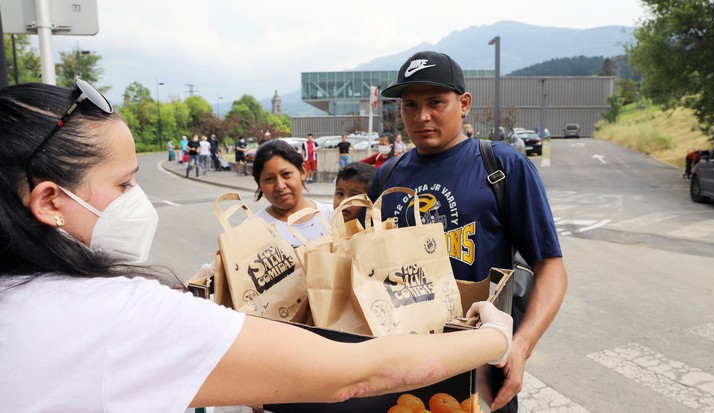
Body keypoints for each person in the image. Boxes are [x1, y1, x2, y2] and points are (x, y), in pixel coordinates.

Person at [0, 81, 513, 411]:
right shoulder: (119, 316)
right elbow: (356, 375)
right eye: (124, 184)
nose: (137, 200)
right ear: (49, 201)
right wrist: (497, 337)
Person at [373, 51, 568, 413]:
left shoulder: (502, 165)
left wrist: (520, 346)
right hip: (399, 366)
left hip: (476, 367)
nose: (422, 116)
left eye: (436, 102)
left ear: (464, 104)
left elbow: (551, 267)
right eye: (410, 105)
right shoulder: (388, 175)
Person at [252, 140, 334, 247]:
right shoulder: (252, 229)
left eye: (286, 174)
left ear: (303, 172)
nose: (280, 186)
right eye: (269, 179)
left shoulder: (333, 216)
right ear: (259, 183)